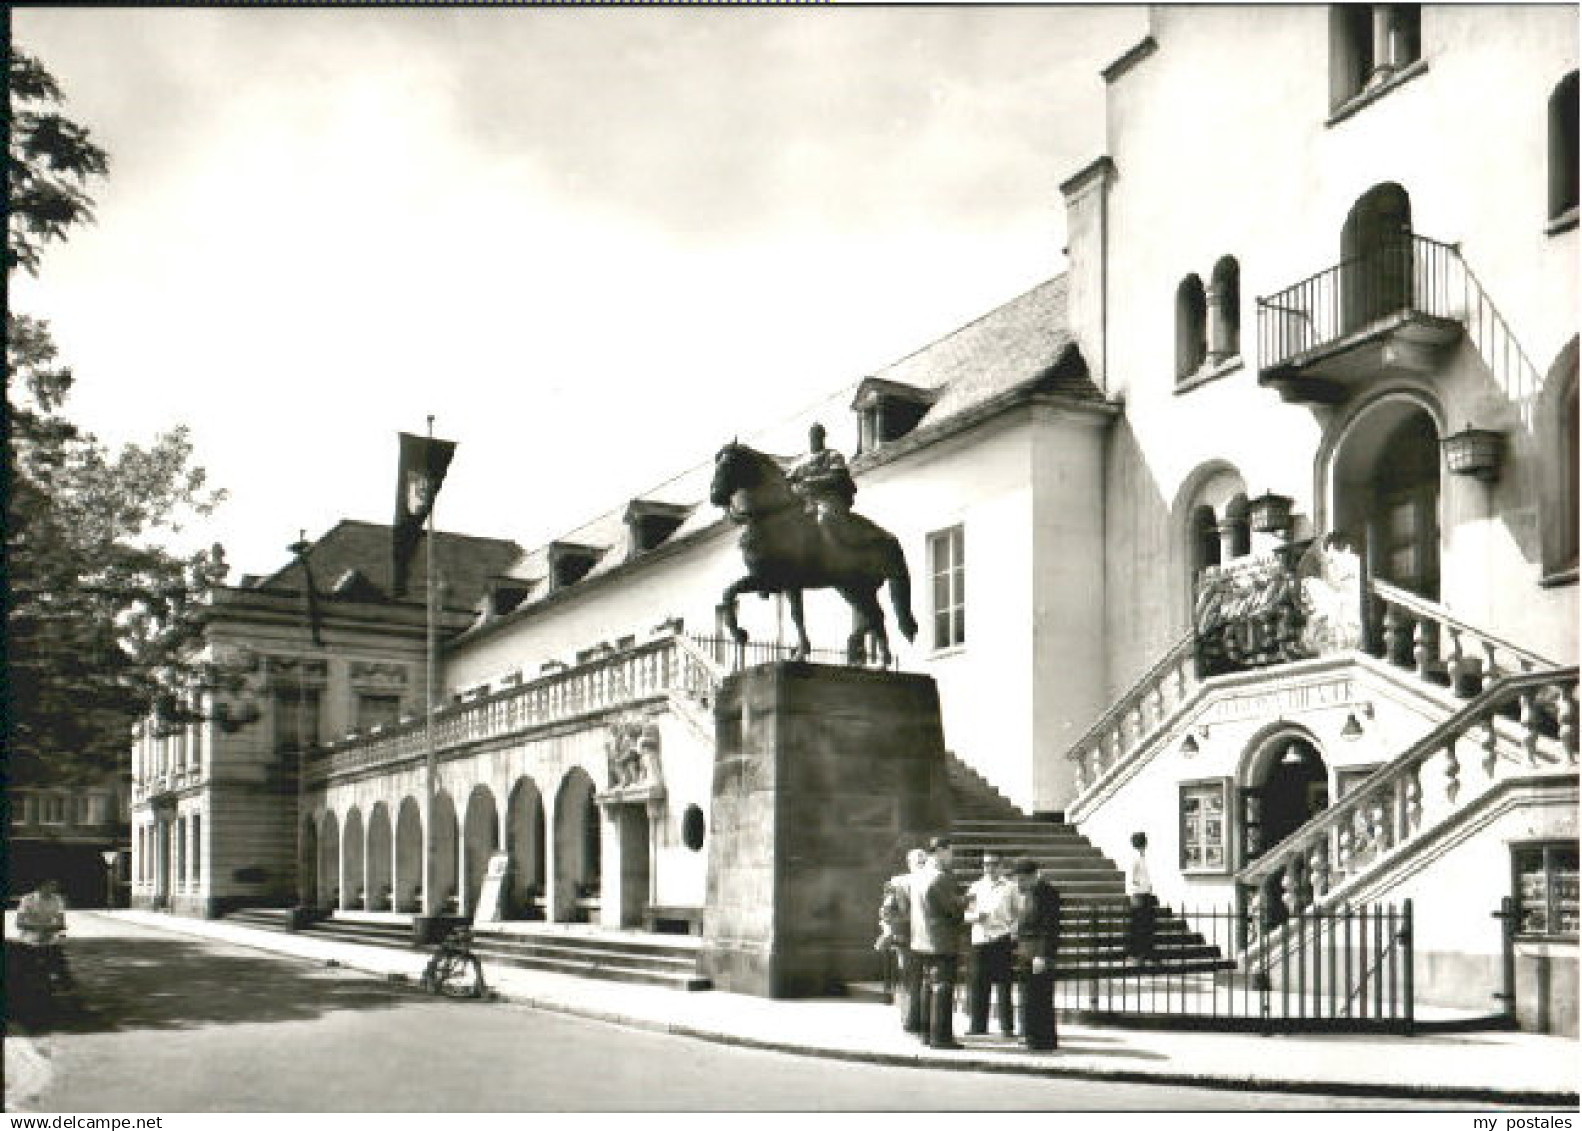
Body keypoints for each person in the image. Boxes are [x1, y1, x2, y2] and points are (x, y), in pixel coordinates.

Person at [909, 835, 965, 1050]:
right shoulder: (941, 878)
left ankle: (926, 1033)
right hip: (940, 940)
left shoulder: (919, 875)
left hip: (921, 939)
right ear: (941, 850)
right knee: (942, 987)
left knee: (927, 986)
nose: (952, 857)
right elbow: (952, 910)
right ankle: (941, 1037)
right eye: (951, 852)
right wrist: (964, 903)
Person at [964, 851, 1020, 1037]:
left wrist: (1012, 932)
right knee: (979, 984)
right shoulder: (975, 887)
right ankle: (978, 1026)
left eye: (994, 864)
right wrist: (975, 917)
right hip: (980, 938)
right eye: (986, 864)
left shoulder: (1010, 887)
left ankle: (1007, 1027)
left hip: (1001, 938)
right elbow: (966, 913)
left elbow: (1018, 913)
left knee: (1004, 984)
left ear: (1002, 866)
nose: (990, 868)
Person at [876, 847, 928, 1033]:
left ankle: (922, 1019)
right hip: (906, 936)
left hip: (929, 937)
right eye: (918, 861)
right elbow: (886, 911)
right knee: (910, 979)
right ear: (909, 863)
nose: (922, 864)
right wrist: (890, 930)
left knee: (924, 979)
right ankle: (910, 1020)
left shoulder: (933, 880)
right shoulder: (898, 882)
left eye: (924, 861)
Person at [1012, 859, 1061, 1051]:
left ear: (1034, 875)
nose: (1019, 884)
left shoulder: (1047, 894)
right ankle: (1031, 1034)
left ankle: (1042, 1038)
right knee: (1029, 996)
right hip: (1026, 950)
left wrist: (1042, 954)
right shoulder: (1030, 893)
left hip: (1038, 953)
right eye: (1018, 880)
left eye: (1022, 880)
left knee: (1040, 996)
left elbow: (1049, 928)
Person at [788, 423, 857, 527]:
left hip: (830, 497)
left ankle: (834, 543)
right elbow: (789, 478)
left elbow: (837, 477)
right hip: (807, 500)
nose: (815, 439)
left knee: (824, 519)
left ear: (823, 437)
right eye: (813, 436)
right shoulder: (801, 460)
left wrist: (812, 480)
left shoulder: (833, 455)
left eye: (818, 435)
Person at [16, 878, 72, 989]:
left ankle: (57, 980)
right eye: (51, 885)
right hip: (30, 939)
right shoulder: (28, 899)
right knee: (29, 973)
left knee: (60, 970)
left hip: (49, 938)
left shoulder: (57, 899)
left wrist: (52, 929)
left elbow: (61, 923)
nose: (54, 889)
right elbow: (19, 923)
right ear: (41, 886)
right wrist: (38, 928)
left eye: (55, 886)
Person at [1126, 831, 1156, 965]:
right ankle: (1136, 955)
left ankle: (1144, 954)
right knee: (1139, 926)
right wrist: (1144, 886)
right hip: (1138, 894)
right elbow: (1133, 879)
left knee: (1146, 926)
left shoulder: (1142, 857)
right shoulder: (1135, 858)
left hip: (1144, 893)